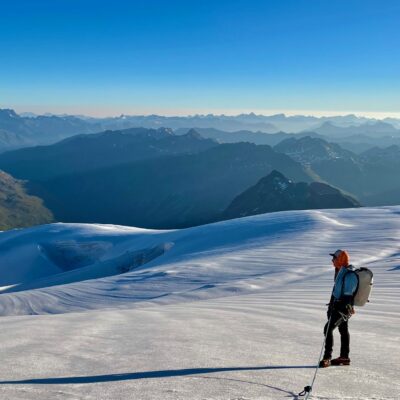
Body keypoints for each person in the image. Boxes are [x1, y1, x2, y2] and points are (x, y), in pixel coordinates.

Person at [319, 249, 358, 368]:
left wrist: (338, 306)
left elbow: (347, 295)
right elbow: (337, 291)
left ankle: (327, 358)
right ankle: (344, 357)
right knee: (343, 330)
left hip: (342, 309)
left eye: (334, 258)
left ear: (340, 259)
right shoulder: (340, 271)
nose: (332, 260)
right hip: (336, 307)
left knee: (328, 329)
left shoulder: (349, 274)